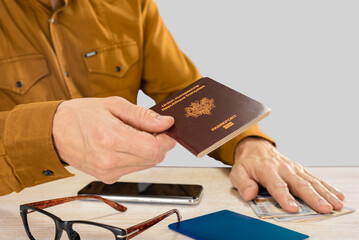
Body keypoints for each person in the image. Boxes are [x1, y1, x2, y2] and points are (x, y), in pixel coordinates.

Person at [0, 0, 344, 214]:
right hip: (19, 209)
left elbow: (187, 96)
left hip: (127, 210)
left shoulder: (131, 4)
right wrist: (48, 132)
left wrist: (248, 143)